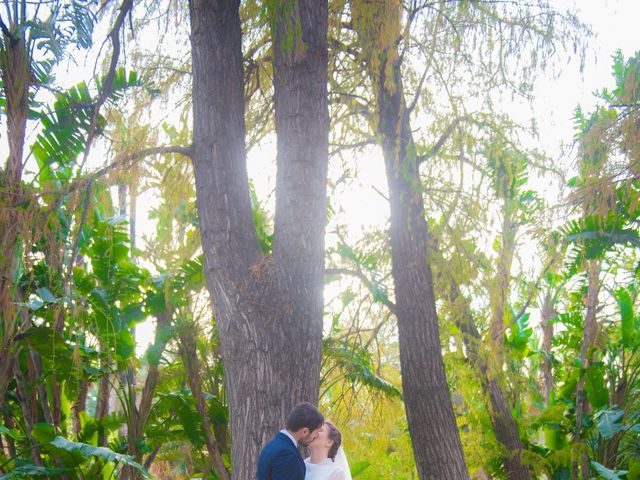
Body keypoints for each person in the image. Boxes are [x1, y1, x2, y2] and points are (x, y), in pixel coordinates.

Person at [257, 402, 324, 480]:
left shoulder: (271, 446)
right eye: (316, 433)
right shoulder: (287, 455)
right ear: (305, 431)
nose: (316, 436)